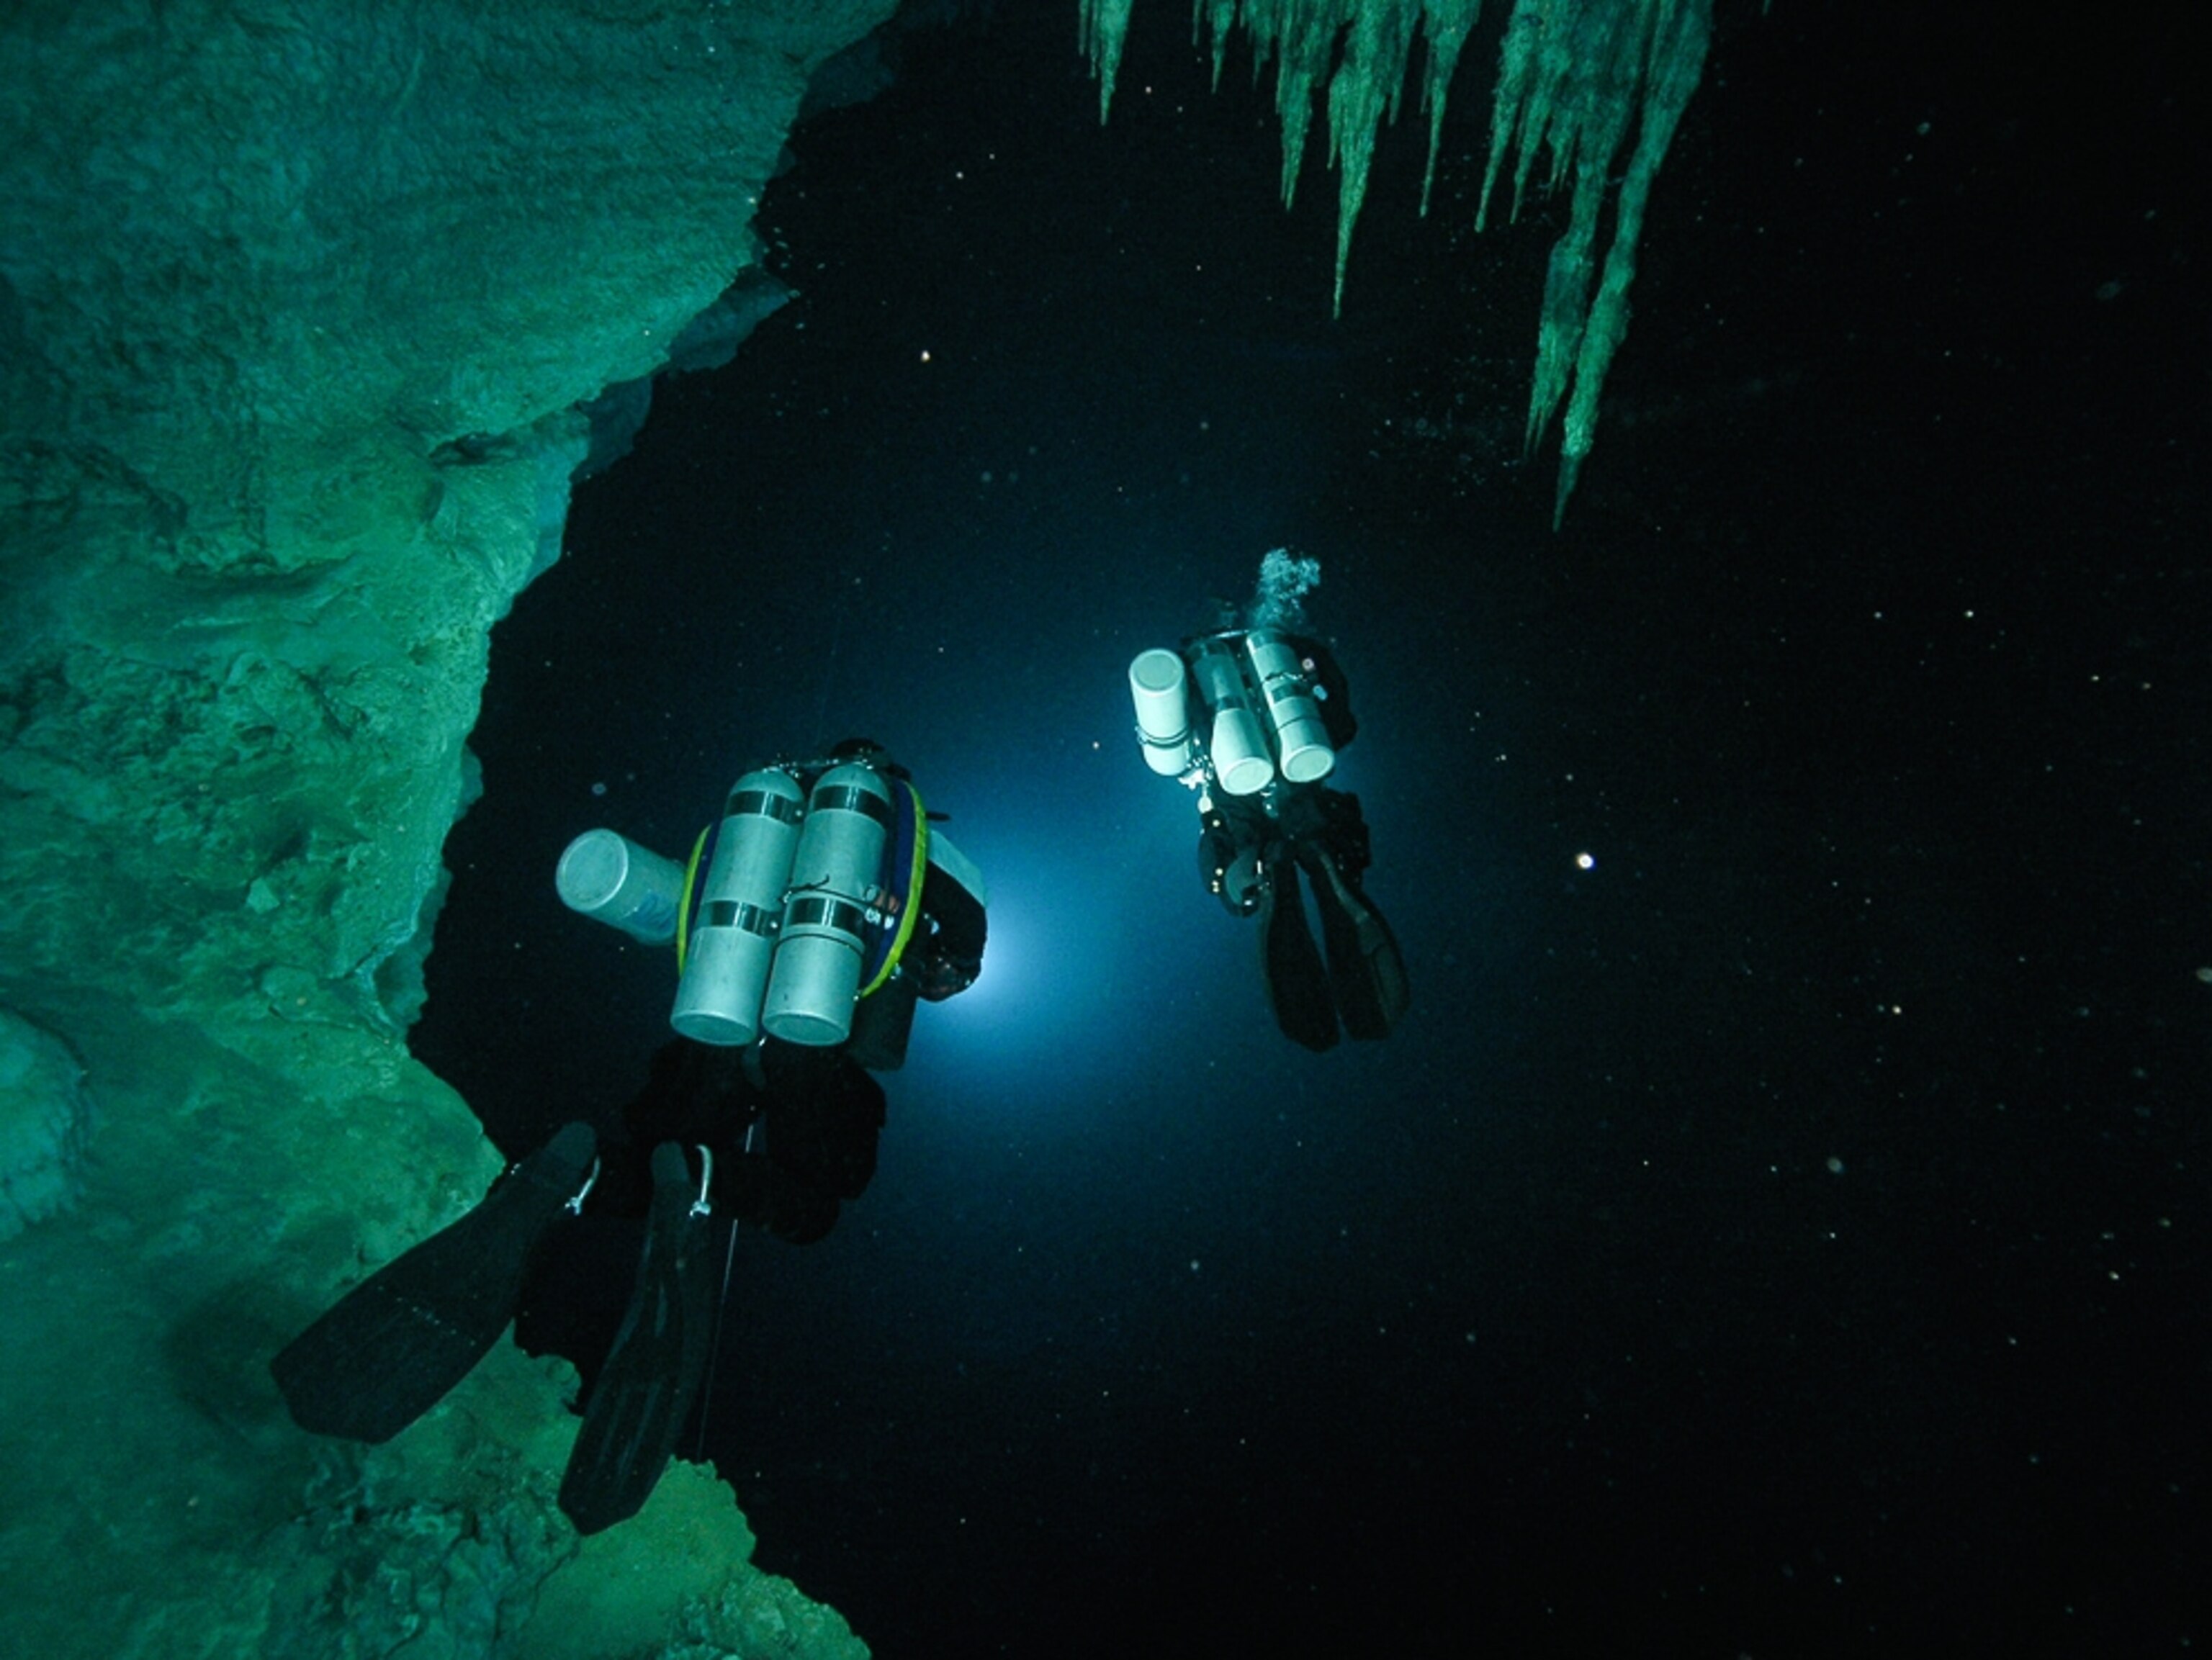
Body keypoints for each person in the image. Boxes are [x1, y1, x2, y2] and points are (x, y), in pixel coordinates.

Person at [271, 739, 985, 1535]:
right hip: (818, 1039)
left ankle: (566, 1177)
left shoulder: (778, 795)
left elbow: (686, 906)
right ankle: (712, 1182)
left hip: (713, 1022)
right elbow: (953, 968)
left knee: (648, 1162)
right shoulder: (931, 847)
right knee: (815, 1197)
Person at [1129, 627, 1408, 1051]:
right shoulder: (1286, 649)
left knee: (1269, 898)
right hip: (1303, 790)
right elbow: (1343, 727)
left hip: (1236, 802)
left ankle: (1315, 1018)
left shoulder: (1191, 675)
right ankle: (1364, 1000)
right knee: (1332, 877)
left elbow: (1174, 754)